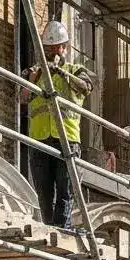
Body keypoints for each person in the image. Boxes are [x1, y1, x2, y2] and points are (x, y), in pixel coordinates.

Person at [21, 20, 94, 230]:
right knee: (45, 194)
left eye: (58, 47)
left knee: (65, 192)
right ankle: (48, 229)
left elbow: (86, 87)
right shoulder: (33, 72)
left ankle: (62, 231)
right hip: (40, 140)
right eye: (50, 48)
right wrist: (35, 78)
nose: (54, 52)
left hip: (67, 140)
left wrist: (62, 73)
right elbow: (22, 98)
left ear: (65, 47)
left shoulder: (76, 70)